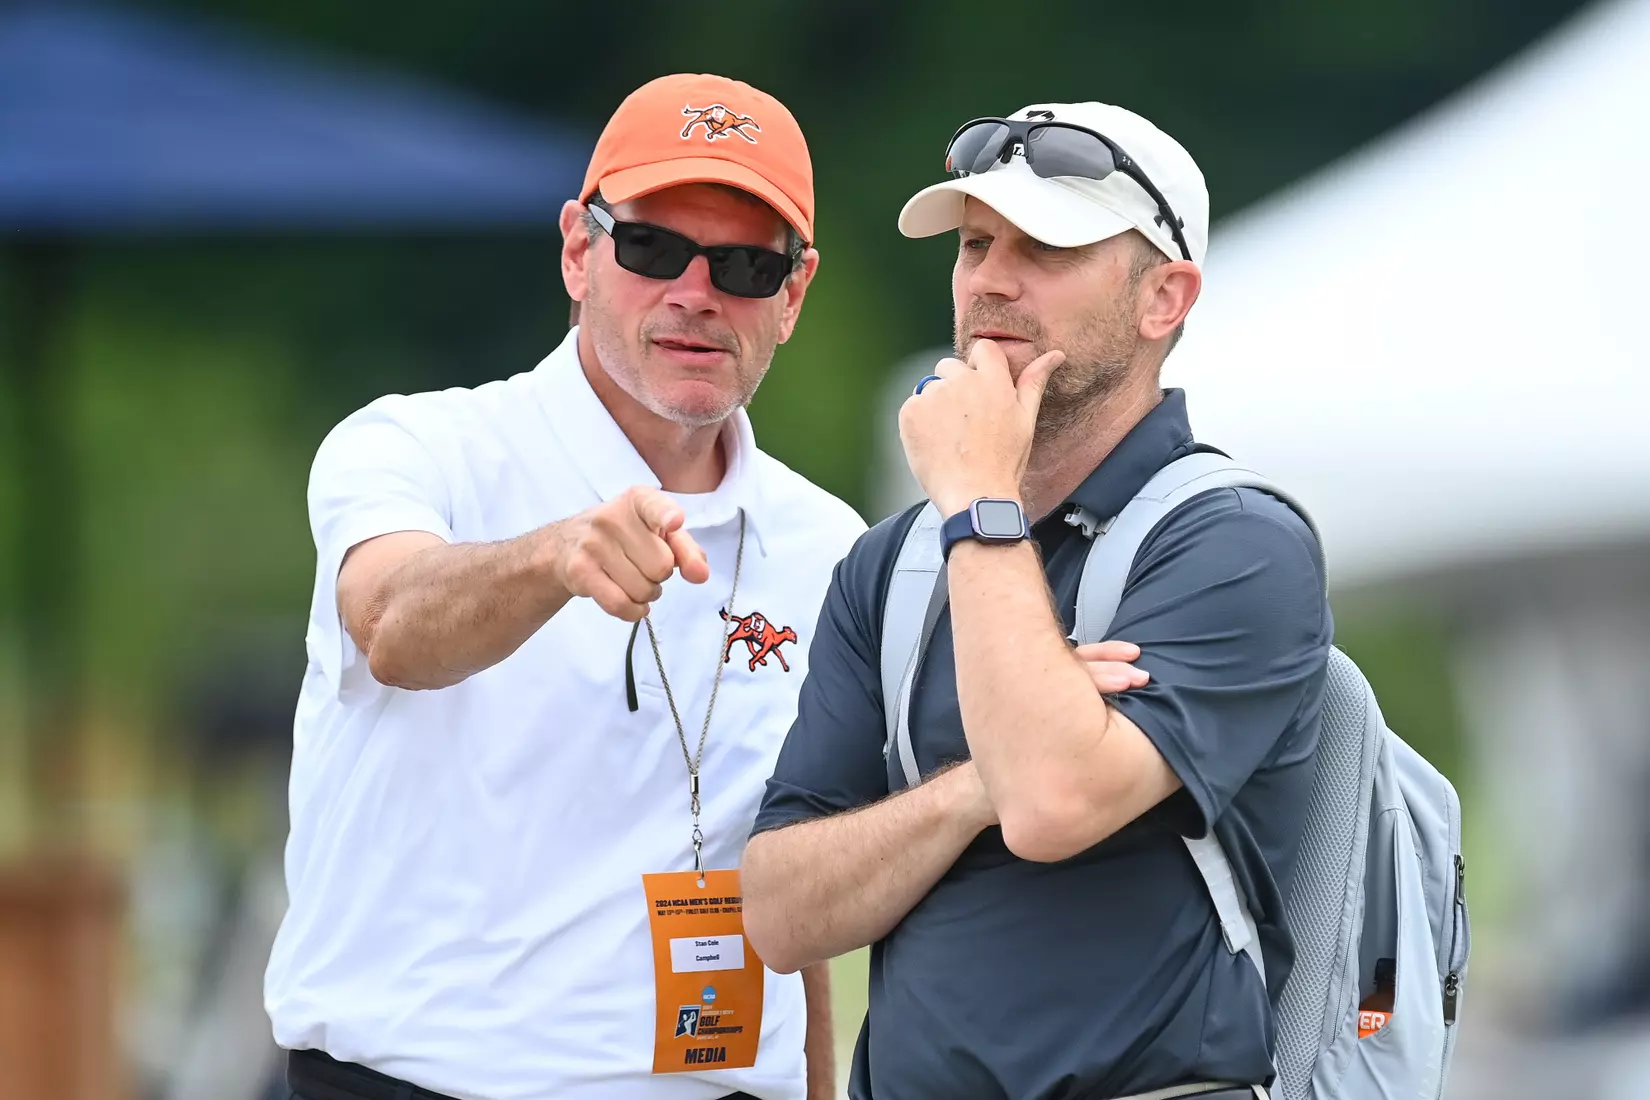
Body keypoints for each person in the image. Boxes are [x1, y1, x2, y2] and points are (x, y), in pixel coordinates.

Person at [265, 73, 863, 1100]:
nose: (696, 291)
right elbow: (393, 625)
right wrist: (554, 558)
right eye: (653, 248)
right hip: (421, 1082)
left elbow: (797, 879)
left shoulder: (831, 543)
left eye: (746, 265)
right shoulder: (417, 444)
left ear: (794, 293)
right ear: (578, 252)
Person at [741, 101, 1333, 1100]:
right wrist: (972, 783)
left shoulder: (1237, 543)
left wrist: (979, 505)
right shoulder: (891, 566)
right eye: (975, 243)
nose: (990, 280)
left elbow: (1054, 801)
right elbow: (780, 911)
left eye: (1046, 245)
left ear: (1164, 298)